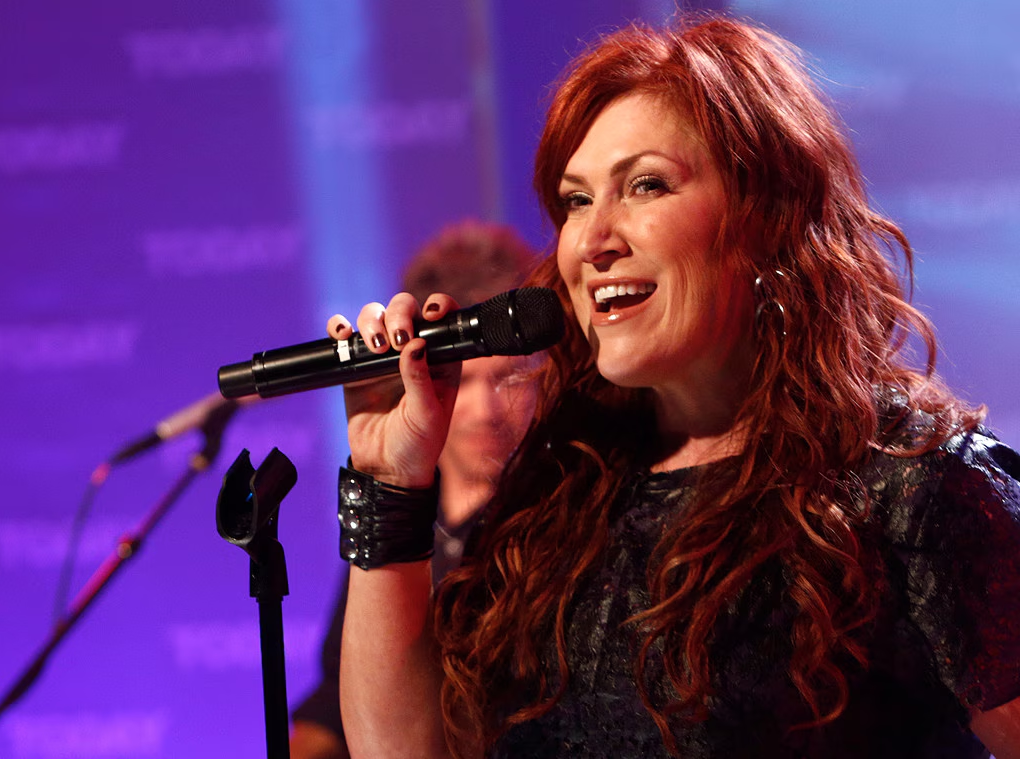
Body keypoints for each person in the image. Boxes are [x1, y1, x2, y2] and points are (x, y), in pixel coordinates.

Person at [330, 15, 1020, 759]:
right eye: (576, 201)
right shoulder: (560, 488)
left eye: (646, 186)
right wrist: (391, 487)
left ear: (765, 218)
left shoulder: (912, 484)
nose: (594, 241)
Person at [288, 220, 539, 759]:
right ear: (416, 380)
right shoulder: (402, 514)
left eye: (508, 378)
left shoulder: (557, 515)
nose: (486, 410)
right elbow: (334, 704)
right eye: (463, 381)